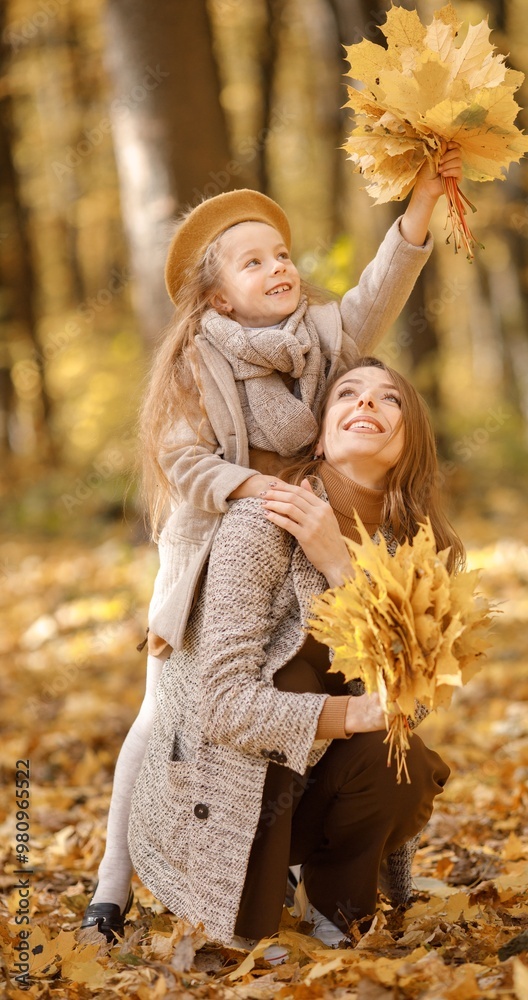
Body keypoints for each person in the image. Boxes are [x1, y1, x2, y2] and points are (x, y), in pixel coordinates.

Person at [81, 145, 463, 940]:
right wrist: (258, 491)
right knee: (164, 707)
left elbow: (378, 291)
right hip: (213, 545)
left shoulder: (321, 339)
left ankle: (310, 853)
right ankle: (113, 880)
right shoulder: (198, 360)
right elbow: (184, 463)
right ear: (218, 295)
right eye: (252, 262)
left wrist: (421, 206)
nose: (277, 268)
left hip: (304, 530)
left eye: (282, 255)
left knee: (313, 669)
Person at [127, 357, 464, 957]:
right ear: (321, 438)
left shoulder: (417, 552)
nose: (367, 403)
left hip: (313, 796)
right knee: (294, 675)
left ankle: (335, 907)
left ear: (410, 440)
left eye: (389, 398)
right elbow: (220, 705)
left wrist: (339, 564)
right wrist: (348, 715)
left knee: (405, 762)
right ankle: (250, 905)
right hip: (216, 794)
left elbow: (407, 708)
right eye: (348, 394)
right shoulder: (262, 520)